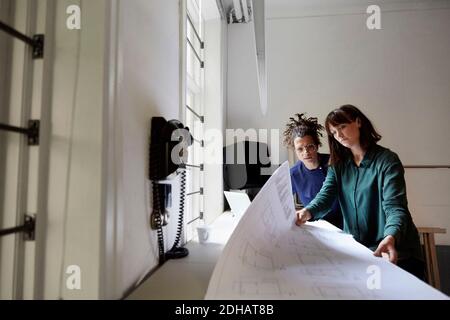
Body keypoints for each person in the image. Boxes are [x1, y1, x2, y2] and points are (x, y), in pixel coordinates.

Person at [296, 105, 424, 280]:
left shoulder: (387, 161)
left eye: (342, 127)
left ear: (358, 122)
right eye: (334, 132)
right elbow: (325, 196)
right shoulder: (338, 163)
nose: (339, 135)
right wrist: (306, 212)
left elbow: (395, 207)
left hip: (395, 250)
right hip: (360, 250)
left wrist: (390, 236)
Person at [283, 113, 343, 229]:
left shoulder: (334, 163)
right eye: (300, 149)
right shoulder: (293, 174)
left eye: (310, 146)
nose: (306, 152)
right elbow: (282, 203)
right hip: (315, 226)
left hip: (342, 224)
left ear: (317, 145)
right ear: (294, 150)